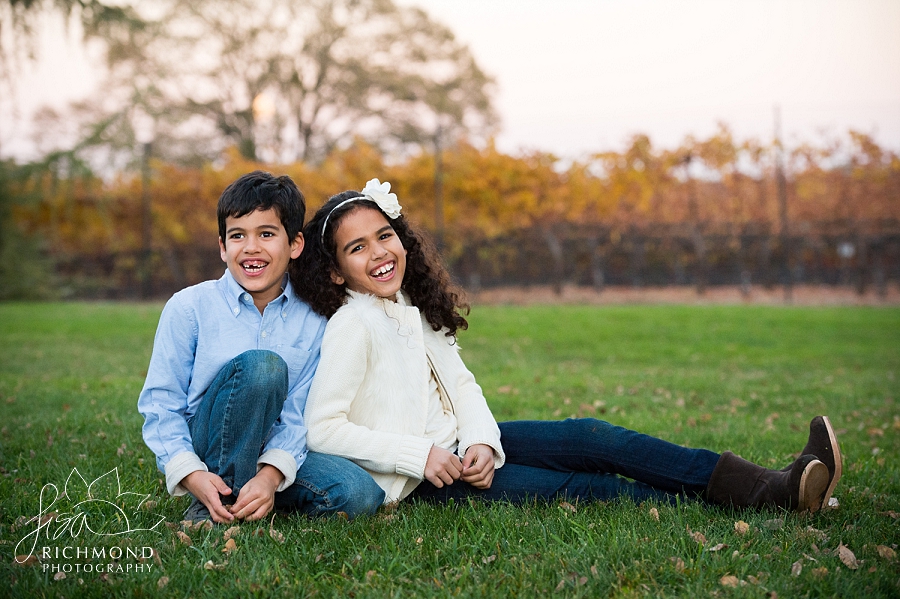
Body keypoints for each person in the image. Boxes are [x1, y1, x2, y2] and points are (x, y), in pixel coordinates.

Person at [291, 178, 843, 513]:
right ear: (337, 272)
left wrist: (483, 440)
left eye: (384, 235)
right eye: (357, 248)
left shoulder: (411, 305)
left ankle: (770, 485)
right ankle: (753, 503)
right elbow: (324, 428)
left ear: (401, 237)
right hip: (427, 476)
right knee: (586, 488)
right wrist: (424, 456)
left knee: (592, 435)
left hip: (462, 446)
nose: (378, 252)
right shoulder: (354, 324)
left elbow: (460, 384)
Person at [138, 171, 384, 524]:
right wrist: (190, 473)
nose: (251, 247)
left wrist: (270, 477)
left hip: (274, 450)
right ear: (223, 247)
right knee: (263, 367)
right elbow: (161, 405)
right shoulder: (189, 308)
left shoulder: (314, 318)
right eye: (237, 236)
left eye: (266, 234)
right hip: (208, 445)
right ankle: (211, 497)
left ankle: (252, 495)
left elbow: (301, 412)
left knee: (359, 493)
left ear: (295, 244)